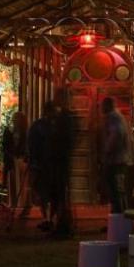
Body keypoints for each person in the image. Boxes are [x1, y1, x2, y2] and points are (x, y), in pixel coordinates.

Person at [49, 89, 75, 238]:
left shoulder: (63, 118)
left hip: (60, 160)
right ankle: (62, 223)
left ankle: (63, 224)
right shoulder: (66, 117)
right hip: (62, 159)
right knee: (61, 193)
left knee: (60, 194)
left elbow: (62, 139)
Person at [100, 97, 133, 214]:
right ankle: (118, 220)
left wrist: (107, 149)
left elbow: (116, 134)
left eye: (102, 106)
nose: (100, 108)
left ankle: (119, 221)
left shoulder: (113, 117)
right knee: (118, 192)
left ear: (107, 106)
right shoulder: (119, 117)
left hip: (116, 162)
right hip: (121, 161)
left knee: (116, 192)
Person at [27, 102, 55, 229]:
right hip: (45, 164)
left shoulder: (39, 126)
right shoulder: (44, 126)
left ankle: (48, 218)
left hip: (44, 164)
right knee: (45, 193)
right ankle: (48, 218)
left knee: (46, 193)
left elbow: (32, 145)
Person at [2, 111, 30, 218]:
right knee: (13, 181)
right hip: (13, 160)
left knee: (21, 183)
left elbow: (24, 146)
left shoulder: (23, 133)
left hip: (20, 160)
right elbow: (6, 147)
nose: (15, 121)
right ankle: (14, 204)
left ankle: (20, 205)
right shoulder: (10, 132)